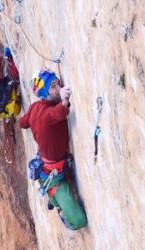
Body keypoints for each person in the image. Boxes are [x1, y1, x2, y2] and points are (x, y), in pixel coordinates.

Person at [19, 69, 88, 230]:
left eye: (58, 83)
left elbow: (23, 123)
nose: (58, 89)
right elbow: (55, 115)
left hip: (50, 165)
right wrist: (64, 101)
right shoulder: (45, 115)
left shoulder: (35, 107)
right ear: (45, 93)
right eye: (53, 87)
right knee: (79, 221)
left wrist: (29, 119)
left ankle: (54, 198)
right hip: (54, 177)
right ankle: (58, 204)